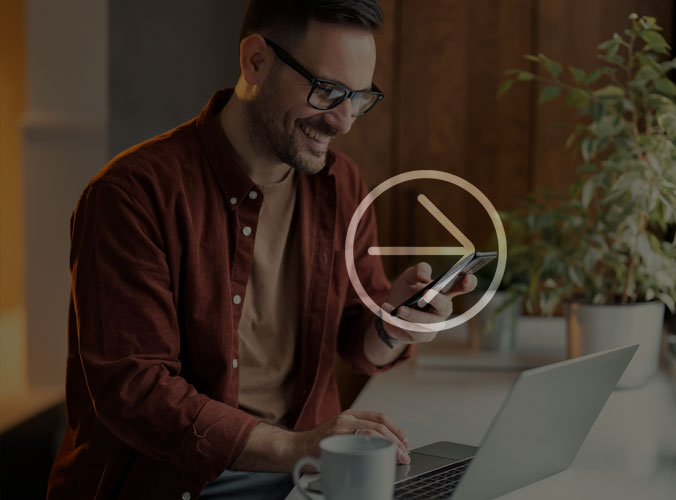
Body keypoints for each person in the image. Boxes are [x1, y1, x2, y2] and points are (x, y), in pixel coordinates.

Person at [46, 1, 476, 498]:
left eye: (359, 97)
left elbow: (356, 337)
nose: (344, 121)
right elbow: (136, 392)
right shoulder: (131, 196)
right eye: (328, 91)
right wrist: (298, 448)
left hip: (305, 474)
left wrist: (392, 325)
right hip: (181, 483)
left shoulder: (341, 185)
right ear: (256, 61)